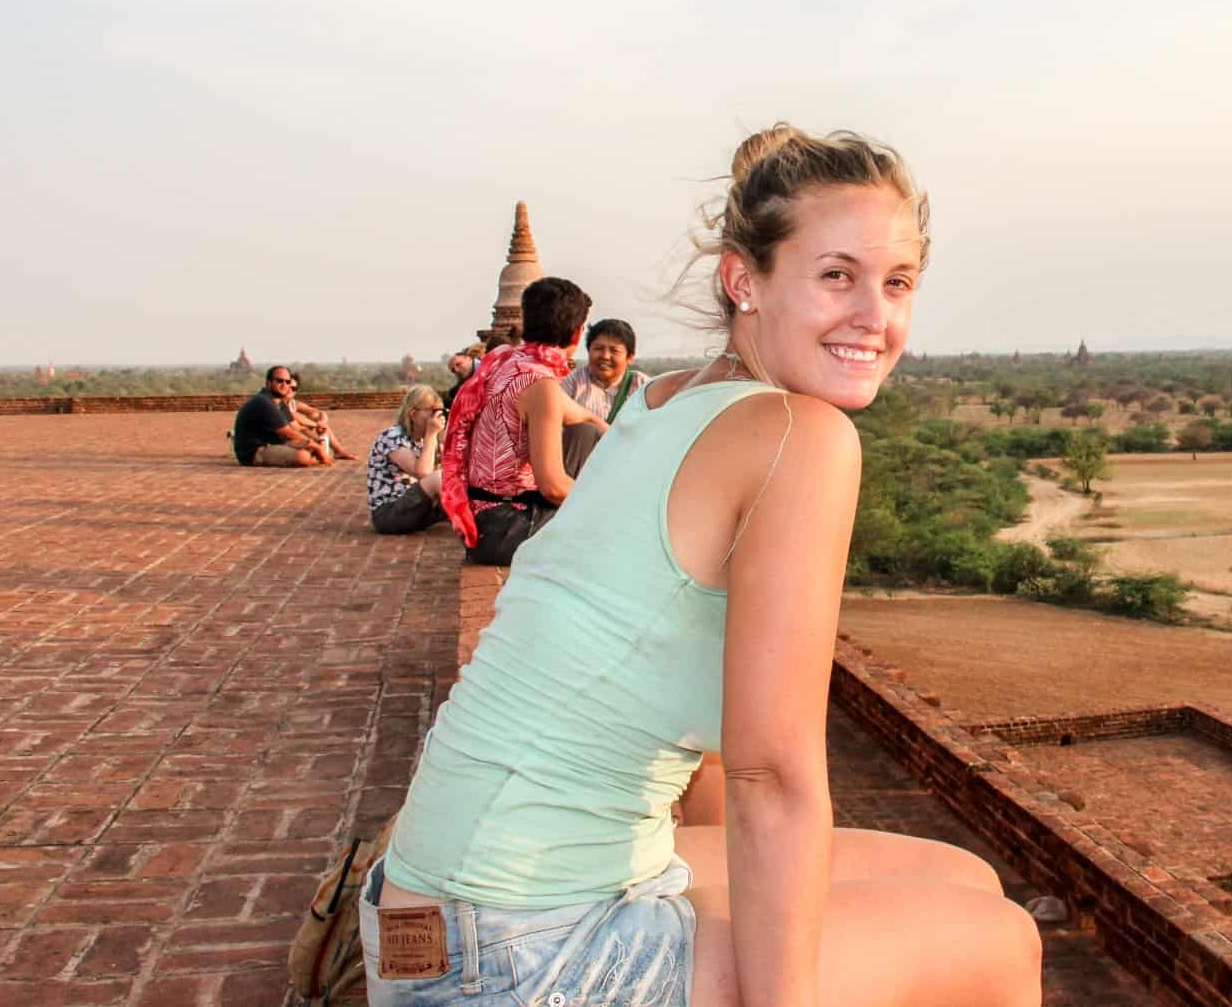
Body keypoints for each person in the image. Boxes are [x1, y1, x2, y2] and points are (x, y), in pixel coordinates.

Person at [363, 126, 1041, 1007]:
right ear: (742, 278)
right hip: (516, 954)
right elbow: (773, 778)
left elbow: (719, 756)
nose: (876, 315)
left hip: (428, 912)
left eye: (898, 281)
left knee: (958, 879)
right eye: (837, 274)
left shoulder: (658, 399)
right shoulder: (801, 436)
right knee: (997, 943)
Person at [439, 277, 611, 567]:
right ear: (577, 333)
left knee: (586, 430)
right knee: (609, 534)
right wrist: (606, 502)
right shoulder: (539, 383)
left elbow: (577, 414)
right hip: (505, 529)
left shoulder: (505, 360)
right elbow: (553, 487)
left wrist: (606, 427)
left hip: (483, 521)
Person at [367, 385, 448, 534]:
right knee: (439, 478)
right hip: (389, 514)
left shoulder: (422, 439)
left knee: (460, 478)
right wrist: (431, 434)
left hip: (417, 508)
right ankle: (466, 529)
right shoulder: (392, 437)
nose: (436, 417)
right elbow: (424, 473)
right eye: (432, 411)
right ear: (413, 414)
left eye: (439, 411)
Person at [231, 366, 330, 467]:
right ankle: (319, 458)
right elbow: (288, 433)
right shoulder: (263, 401)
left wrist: (317, 437)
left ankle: (319, 456)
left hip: (273, 443)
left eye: (287, 382)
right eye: (279, 381)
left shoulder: (280, 403)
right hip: (254, 452)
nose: (284, 385)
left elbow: (295, 428)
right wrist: (317, 447)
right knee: (303, 456)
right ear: (268, 383)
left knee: (310, 449)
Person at [560, 317, 650, 424]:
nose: (605, 356)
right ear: (588, 350)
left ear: (629, 357)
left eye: (614, 350)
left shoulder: (643, 386)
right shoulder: (572, 382)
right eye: (598, 348)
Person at [285, 374, 359, 461]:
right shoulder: (276, 403)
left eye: (293, 388)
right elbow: (291, 415)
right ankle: (319, 449)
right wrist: (316, 425)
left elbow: (319, 412)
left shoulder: (294, 403)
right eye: (288, 386)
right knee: (302, 427)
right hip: (284, 438)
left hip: (297, 435)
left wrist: (322, 421)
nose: (290, 390)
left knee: (316, 418)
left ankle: (338, 450)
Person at [440, 344, 484, 413]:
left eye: (458, 364)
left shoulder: (485, 369)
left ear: (468, 358)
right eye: (453, 370)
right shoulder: (465, 377)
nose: (457, 370)